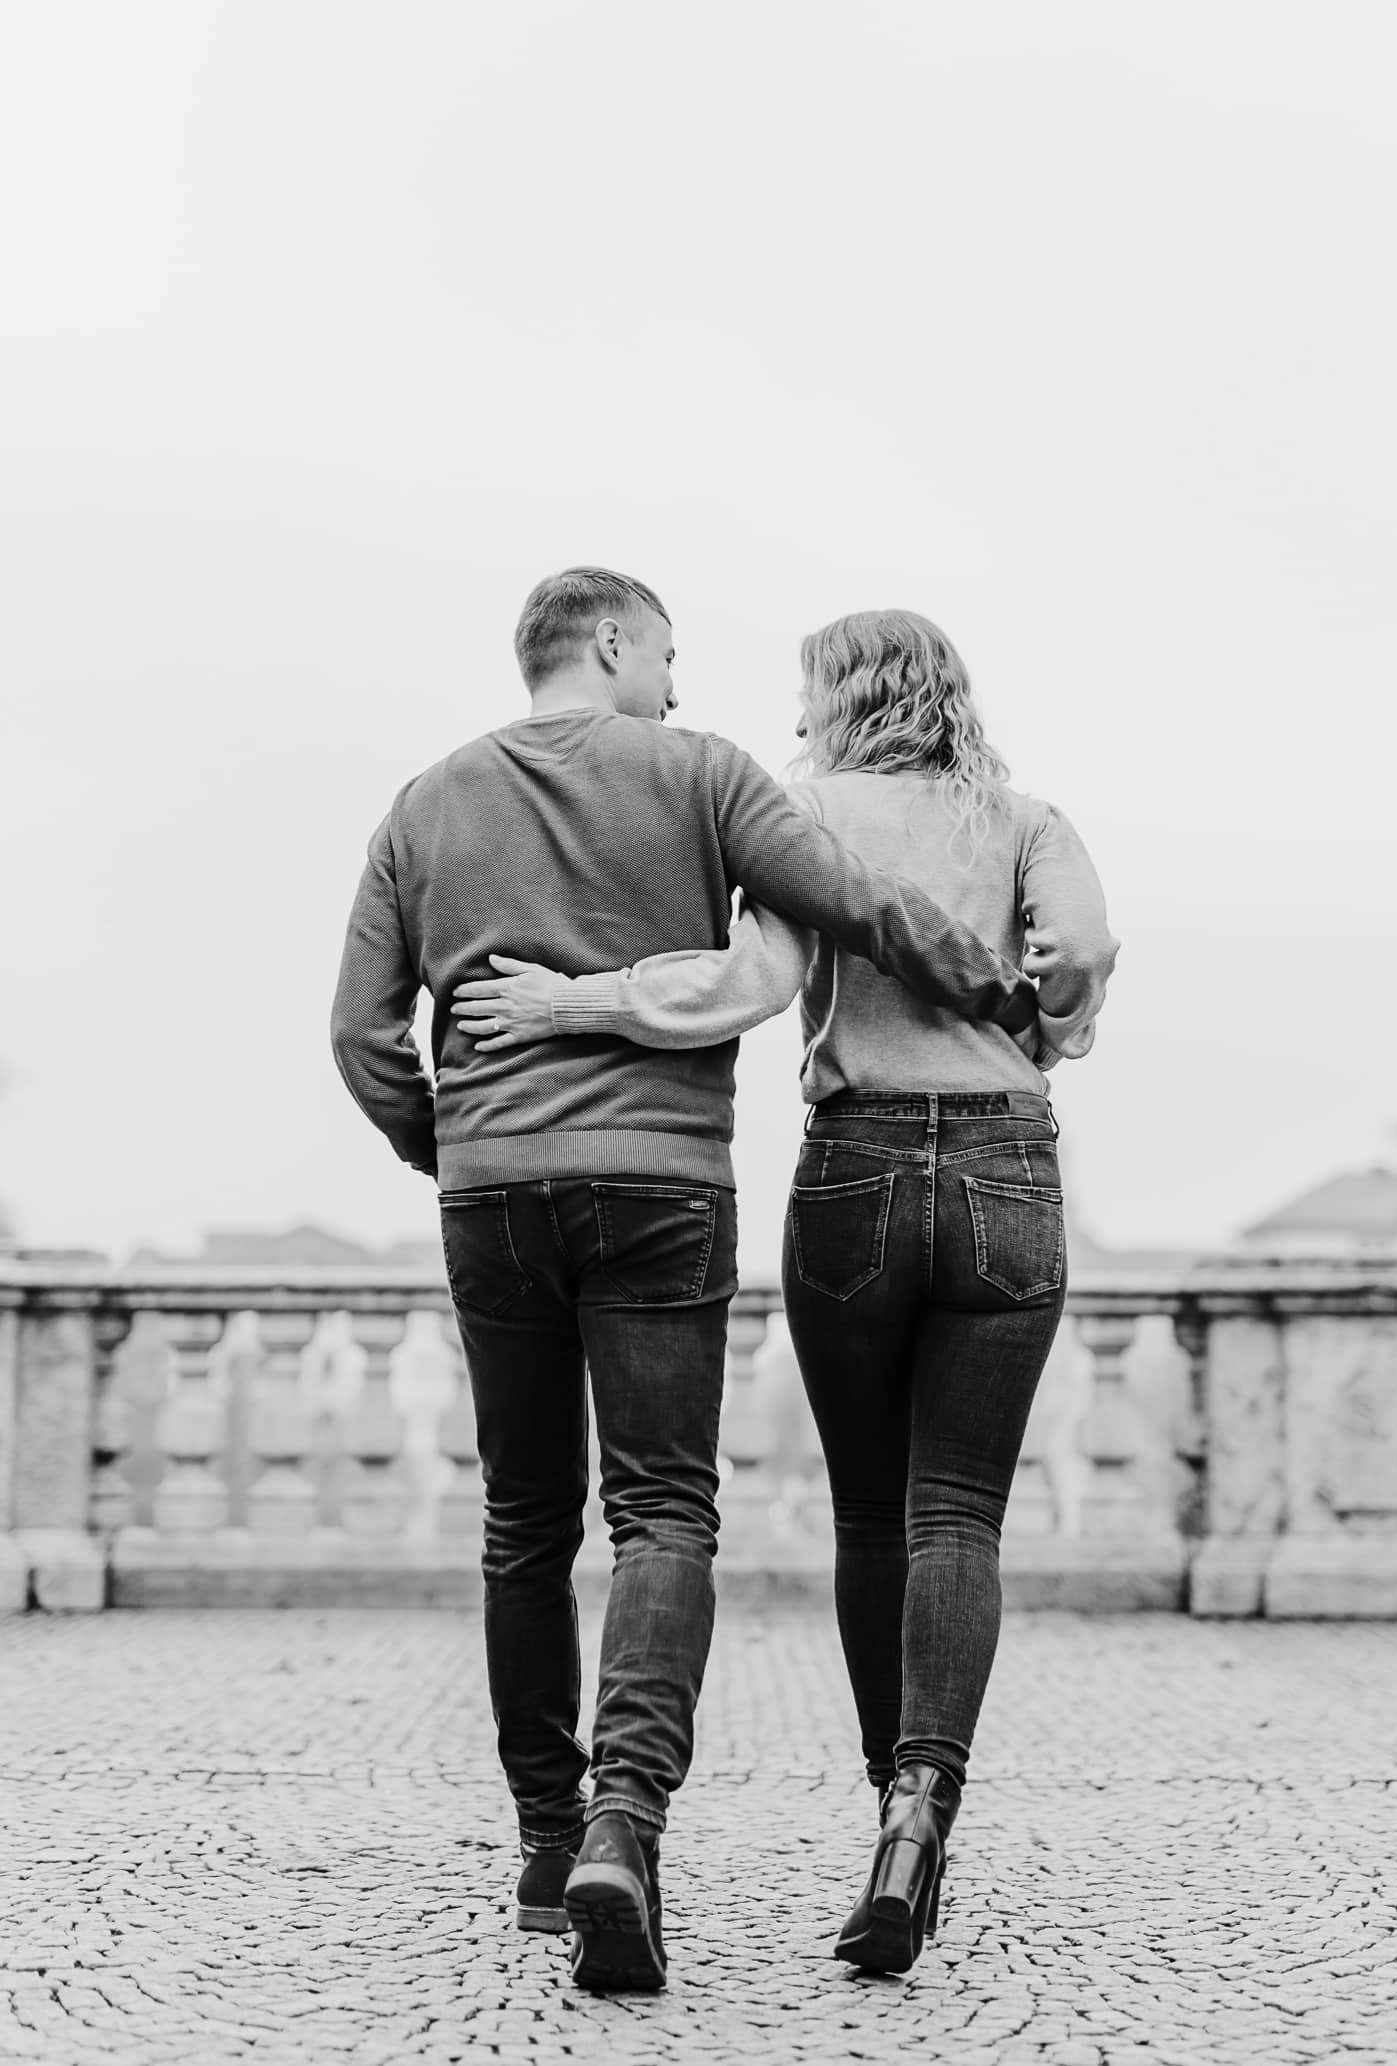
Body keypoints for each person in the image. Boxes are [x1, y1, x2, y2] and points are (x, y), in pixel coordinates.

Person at [329, 571, 1049, 1993]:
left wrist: (459, 1138)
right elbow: (857, 901)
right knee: (664, 1507)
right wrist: (999, 988)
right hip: (662, 1185)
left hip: (490, 1189)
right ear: (611, 641)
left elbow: (360, 1035)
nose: (677, 679)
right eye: (666, 652)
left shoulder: (423, 803)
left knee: (524, 1518)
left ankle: (549, 1846)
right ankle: (624, 1821)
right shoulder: (706, 776)